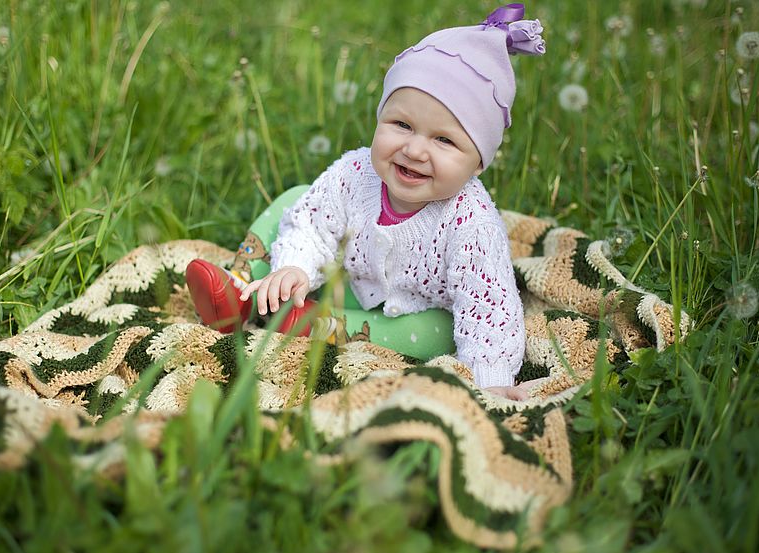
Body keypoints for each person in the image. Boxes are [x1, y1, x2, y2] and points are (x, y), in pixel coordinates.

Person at [187, 4, 545, 400]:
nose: (414, 149)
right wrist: (295, 267)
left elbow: (489, 308)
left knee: (437, 333)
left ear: (478, 163)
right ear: (380, 119)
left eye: (444, 140)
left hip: (416, 313)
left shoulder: (472, 223)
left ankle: (306, 322)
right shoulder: (355, 174)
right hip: (350, 280)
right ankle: (240, 287)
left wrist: (492, 381)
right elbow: (313, 226)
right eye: (402, 125)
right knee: (296, 199)